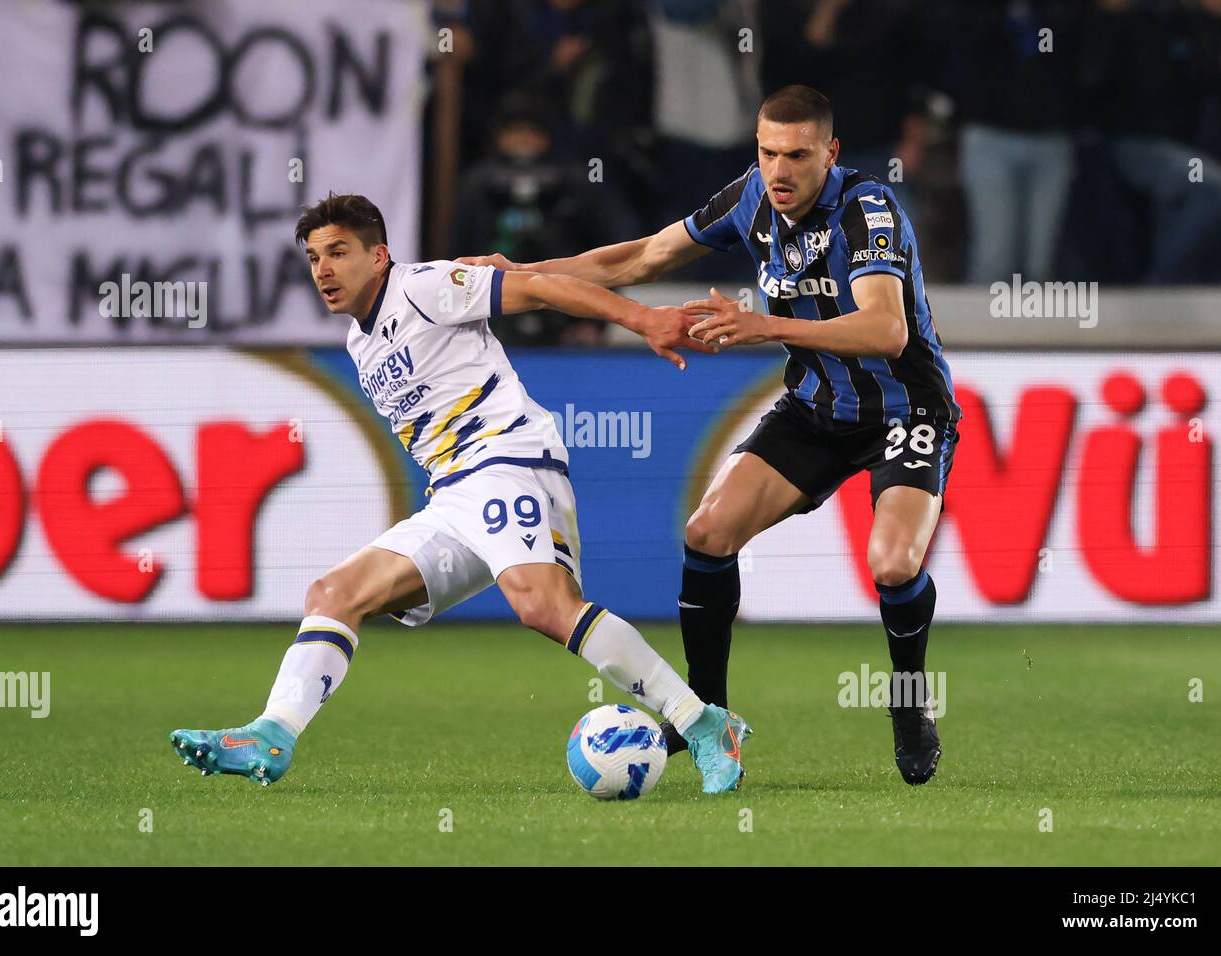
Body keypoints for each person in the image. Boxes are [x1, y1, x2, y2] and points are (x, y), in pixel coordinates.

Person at [460, 86, 961, 785]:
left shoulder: (866, 210)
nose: (779, 171)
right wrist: (529, 275)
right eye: (767, 153)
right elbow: (640, 258)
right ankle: (705, 716)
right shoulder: (751, 197)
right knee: (707, 532)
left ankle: (908, 704)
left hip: (906, 410)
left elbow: (887, 330)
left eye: (796, 155)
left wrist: (765, 325)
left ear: (831, 153)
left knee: (893, 565)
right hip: (818, 409)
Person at [170, 193, 749, 793]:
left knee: (542, 605)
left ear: (379, 256)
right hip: (452, 494)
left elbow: (545, 287)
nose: (323, 269)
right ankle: (273, 733)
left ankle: (704, 724)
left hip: (507, 458)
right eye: (314, 257)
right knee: (334, 593)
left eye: (339, 252)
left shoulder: (423, 287)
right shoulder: (359, 343)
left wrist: (642, 319)